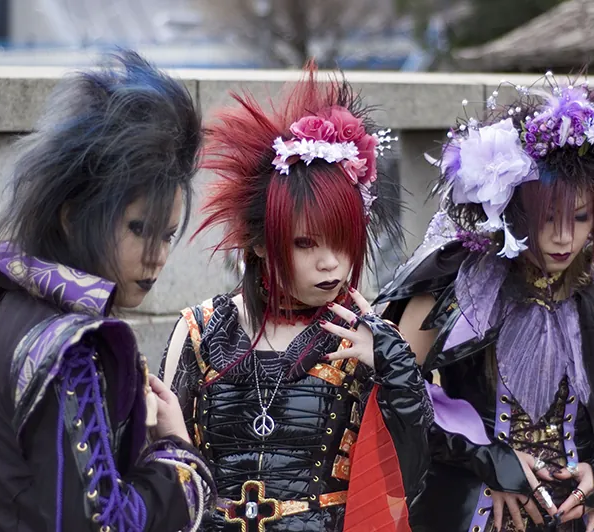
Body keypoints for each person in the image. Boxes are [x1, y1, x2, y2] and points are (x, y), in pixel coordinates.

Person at [376, 74, 594, 531]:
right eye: (547, 217)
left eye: (580, 217)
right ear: (512, 210)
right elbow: (393, 394)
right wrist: (486, 459)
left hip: (577, 516)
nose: (564, 237)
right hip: (473, 510)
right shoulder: (457, 286)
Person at [158, 63, 431, 531]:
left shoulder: (368, 339)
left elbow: (410, 483)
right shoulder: (198, 333)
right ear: (260, 243)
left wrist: (396, 369)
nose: (331, 264)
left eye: (344, 242)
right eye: (306, 243)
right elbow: (162, 473)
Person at [0, 50, 216, 532]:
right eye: (139, 229)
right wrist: (179, 461)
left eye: (167, 235)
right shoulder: (68, 348)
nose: (157, 256)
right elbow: (101, 521)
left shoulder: (9, 300)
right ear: (73, 217)